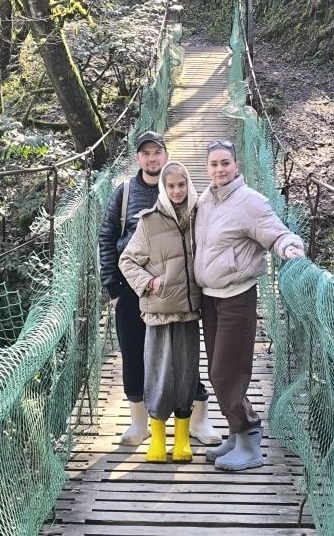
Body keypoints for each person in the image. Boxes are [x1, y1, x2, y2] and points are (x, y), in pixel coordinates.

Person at [98, 131, 220, 446]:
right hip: (131, 287)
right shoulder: (124, 192)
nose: (152, 158)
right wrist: (112, 286)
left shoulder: (185, 194)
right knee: (134, 353)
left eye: (157, 152)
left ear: (166, 156)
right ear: (137, 158)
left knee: (183, 353)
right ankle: (139, 423)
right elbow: (107, 237)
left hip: (176, 289)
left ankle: (197, 417)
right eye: (145, 153)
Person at [193, 139, 306, 472]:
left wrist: (290, 248)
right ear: (207, 168)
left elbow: (276, 233)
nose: (219, 169)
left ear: (236, 165)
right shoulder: (205, 200)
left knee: (228, 371)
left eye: (225, 163)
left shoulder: (251, 201)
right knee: (217, 371)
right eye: (213, 164)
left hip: (236, 297)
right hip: (210, 298)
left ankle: (250, 438)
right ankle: (235, 434)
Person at [119, 160, 201, 462]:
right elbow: (127, 261)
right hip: (158, 310)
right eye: (171, 185)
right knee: (157, 373)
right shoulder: (149, 221)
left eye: (181, 184)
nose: (177, 190)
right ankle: (157, 440)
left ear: (188, 184)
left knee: (186, 375)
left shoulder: (200, 215)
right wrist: (149, 282)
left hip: (190, 311)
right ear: (163, 189)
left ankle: (181, 440)